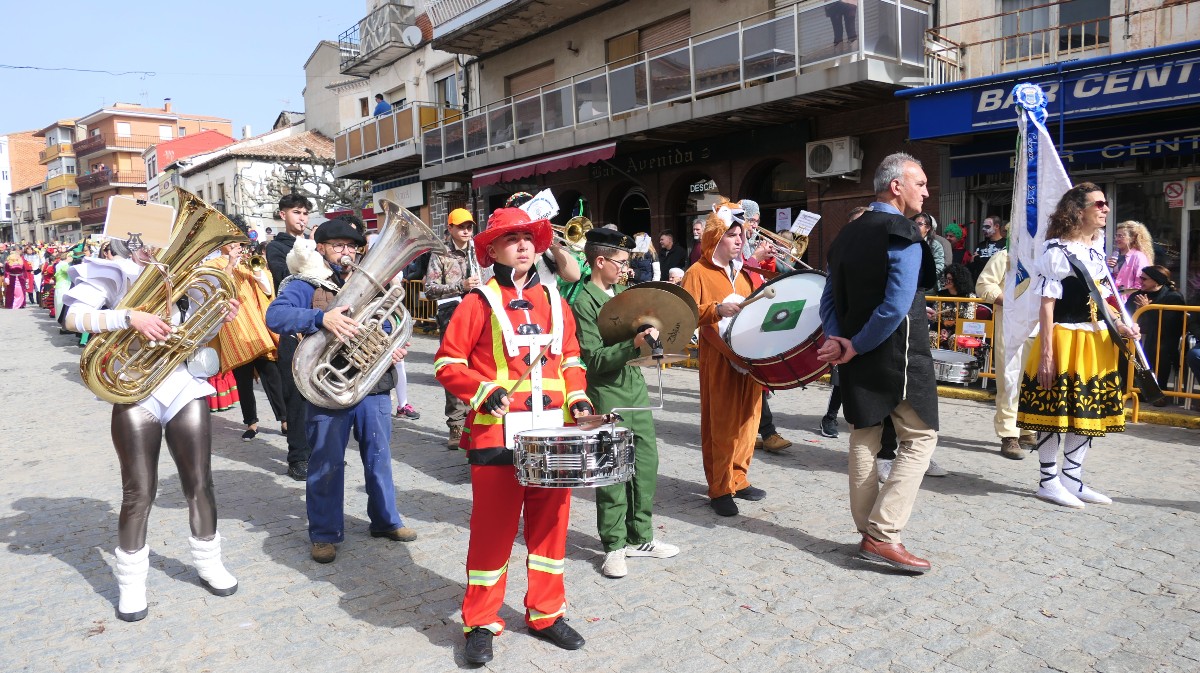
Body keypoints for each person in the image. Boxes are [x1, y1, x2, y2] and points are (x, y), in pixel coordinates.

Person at [433, 207, 594, 665]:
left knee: (551, 528)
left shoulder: (555, 299)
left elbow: (571, 358)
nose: (522, 245)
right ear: (492, 249)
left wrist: (578, 398)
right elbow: (447, 363)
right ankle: (480, 621)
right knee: (492, 533)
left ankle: (546, 613)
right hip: (496, 437)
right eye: (511, 239)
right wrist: (483, 391)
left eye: (527, 238)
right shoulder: (477, 302)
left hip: (553, 433)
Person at [61, 234, 241, 621]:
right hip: (134, 388)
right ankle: (131, 583)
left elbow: (195, 335)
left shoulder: (189, 277)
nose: (155, 247)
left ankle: (210, 562)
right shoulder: (114, 272)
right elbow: (71, 317)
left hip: (184, 385)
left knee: (200, 482)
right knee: (138, 491)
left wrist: (219, 318)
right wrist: (128, 317)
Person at [265, 219, 418, 564]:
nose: (345, 252)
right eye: (337, 245)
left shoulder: (373, 282)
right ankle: (324, 533)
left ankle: (386, 520)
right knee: (326, 462)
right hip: (328, 388)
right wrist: (321, 319)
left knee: (379, 457)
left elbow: (390, 322)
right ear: (321, 248)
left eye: (351, 246)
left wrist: (393, 347)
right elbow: (276, 316)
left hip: (373, 385)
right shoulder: (306, 283)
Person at [818, 152, 939, 574]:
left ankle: (869, 532)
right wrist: (853, 345)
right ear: (896, 186)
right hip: (896, 354)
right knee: (920, 437)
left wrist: (841, 340)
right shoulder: (902, 230)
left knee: (865, 434)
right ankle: (883, 534)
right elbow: (895, 306)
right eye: (920, 183)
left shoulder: (846, 233)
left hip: (858, 350)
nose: (926, 192)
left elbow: (828, 299)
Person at [1016, 183, 1139, 509]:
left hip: (1095, 340)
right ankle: (1048, 481)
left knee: (1086, 411)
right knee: (1054, 412)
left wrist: (1121, 324)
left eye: (1105, 203)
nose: (1105, 209)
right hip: (1064, 338)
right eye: (1098, 204)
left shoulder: (1096, 249)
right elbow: (1047, 305)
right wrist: (1046, 353)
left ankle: (1072, 477)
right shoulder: (1057, 252)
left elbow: (1100, 300)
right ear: (1078, 211)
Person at [571, 228, 679, 579]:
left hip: (635, 388)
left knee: (645, 464)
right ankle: (614, 544)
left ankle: (641, 536)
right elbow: (593, 359)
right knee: (612, 471)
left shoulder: (622, 294)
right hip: (606, 393)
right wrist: (633, 344)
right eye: (620, 261)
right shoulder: (583, 301)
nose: (626, 268)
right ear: (600, 261)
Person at [681, 198, 766, 517]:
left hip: (750, 359)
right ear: (717, 237)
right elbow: (685, 315)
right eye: (732, 235)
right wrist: (715, 310)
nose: (740, 240)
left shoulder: (745, 272)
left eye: (741, 235)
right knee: (721, 425)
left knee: (748, 421)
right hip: (718, 360)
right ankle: (719, 487)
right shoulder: (697, 272)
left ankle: (739, 478)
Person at [205, 236, 287, 440]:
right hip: (232, 328)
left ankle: (285, 419)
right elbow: (216, 291)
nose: (235, 245)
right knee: (243, 381)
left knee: (272, 375)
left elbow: (268, 290)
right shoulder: (212, 265)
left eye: (238, 242)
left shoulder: (248, 262)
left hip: (256, 326)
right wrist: (230, 264)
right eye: (230, 242)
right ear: (221, 244)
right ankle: (251, 423)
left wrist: (257, 270)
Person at [424, 207, 484, 449]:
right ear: (450, 228)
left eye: (469, 226)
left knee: (479, 365)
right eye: (461, 227)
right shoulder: (440, 253)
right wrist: (461, 286)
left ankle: (476, 420)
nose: (466, 231)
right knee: (454, 366)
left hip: (478, 311)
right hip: (452, 313)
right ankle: (456, 423)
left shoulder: (478, 250)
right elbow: (429, 289)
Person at [265, 194, 313, 480]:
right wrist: (307, 249)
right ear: (283, 215)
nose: (302, 218)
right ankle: (298, 457)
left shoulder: (316, 244)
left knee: (318, 395)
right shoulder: (277, 247)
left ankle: (319, 451)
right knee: (296, 398)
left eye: (305, 213)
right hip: (293, 328)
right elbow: (285, 276)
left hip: (317, 327)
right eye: (297, 212)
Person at [975, 247, 1036, 459]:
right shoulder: (1006, 255)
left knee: (1032, 380)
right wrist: (1010, 303)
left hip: (1039, 328)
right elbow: (984, 285)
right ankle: (1009, 434)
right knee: (1010, 380)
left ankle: (1027, 429)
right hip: (1011, 328)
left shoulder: (1047, 255)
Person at [819, 205, 870, 440]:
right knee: (842, 377)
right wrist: (833, 334)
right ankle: (830, 417)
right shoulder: (839, 253)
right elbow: (828, 299)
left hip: (868, 325)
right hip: (845, 323)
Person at [1127, 265, 1185, 402]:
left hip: (1162, 338)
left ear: (1156, 281)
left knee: (1160, 350)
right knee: (1124, 348)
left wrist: (1147, 309)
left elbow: (1168, 325)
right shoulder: (1137, 295)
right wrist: (1136, 311)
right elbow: (1126, 315)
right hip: (1137, 336)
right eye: (1140, 278)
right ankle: (1130, 389)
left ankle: (1158, 392)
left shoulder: (1173, 297)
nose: (1140, 281)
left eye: (1144, 279)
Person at [930, 263, 977, 351]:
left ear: (958, 280)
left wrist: (949, 332)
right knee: (931, 336)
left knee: (956, 339)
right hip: (940, 329)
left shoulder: (969, 297)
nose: (946, 281)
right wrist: (942, 330)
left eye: (949, 279)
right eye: (946, 278)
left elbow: (968, 320)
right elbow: (935, 318)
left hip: (960, 331)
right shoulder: (940, 295)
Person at [1110, 220, 1155, 297]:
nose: (1116, 239)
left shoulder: (1138, 257)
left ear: (1132, 238)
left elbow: (1140, 284)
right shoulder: (1116, 255)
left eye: (1120, 236)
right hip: (1114, 298)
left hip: (1128, 300)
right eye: (1116, 235)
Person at [967, 216, 1006, 281]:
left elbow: (1000, 265)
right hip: (981, 281)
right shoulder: (981, 245)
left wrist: (978, 259)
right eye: (983, 226)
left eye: (987, 227)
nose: (983, 229)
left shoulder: (1005, 244)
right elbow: (973, 264)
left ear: (996, 226)